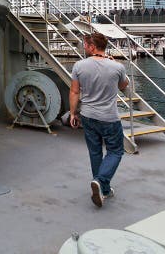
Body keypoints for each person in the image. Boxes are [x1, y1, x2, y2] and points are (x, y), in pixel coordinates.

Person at [69, 32, 129, 208]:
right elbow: (123, 86)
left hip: (88, 115)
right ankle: (102, 183)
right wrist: (114, 64)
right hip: (109, 117)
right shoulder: (117, 67)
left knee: (95, 152)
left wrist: (73, 113)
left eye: (86, 45)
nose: (84, 47)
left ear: (93, 47)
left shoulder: (79, 66)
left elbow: (74, 92)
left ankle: (102, 186)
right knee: (116, 151)